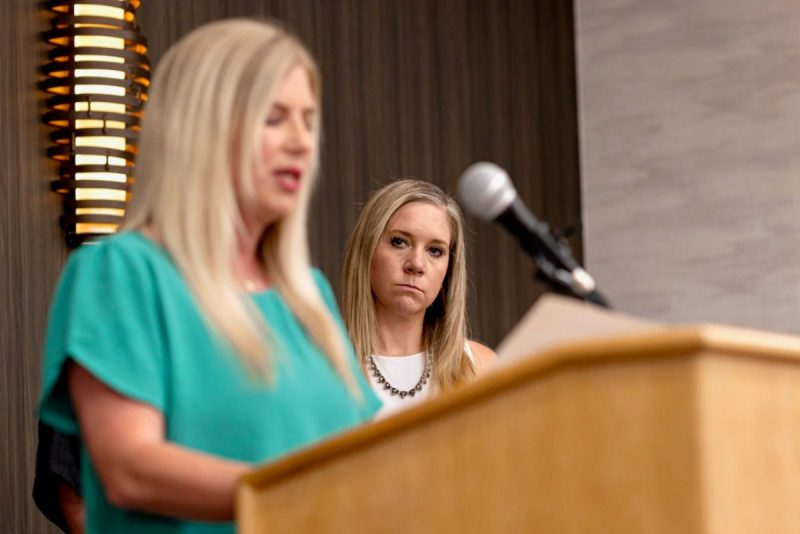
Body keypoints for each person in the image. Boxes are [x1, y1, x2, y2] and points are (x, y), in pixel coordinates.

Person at [37, 18, 380, 533]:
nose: (302, 142)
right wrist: (297, 496)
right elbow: (131, 469)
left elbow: (363, 460)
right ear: (203, 126)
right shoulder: (122, 274)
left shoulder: (309, 295)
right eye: (274, 118)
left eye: (309, 121)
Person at [340, 179, 495, 411]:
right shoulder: (323, 367)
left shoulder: (481, 368)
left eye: (435, 251)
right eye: (399, 242)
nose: (416, 264)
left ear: (449, 269)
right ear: (367, 250)